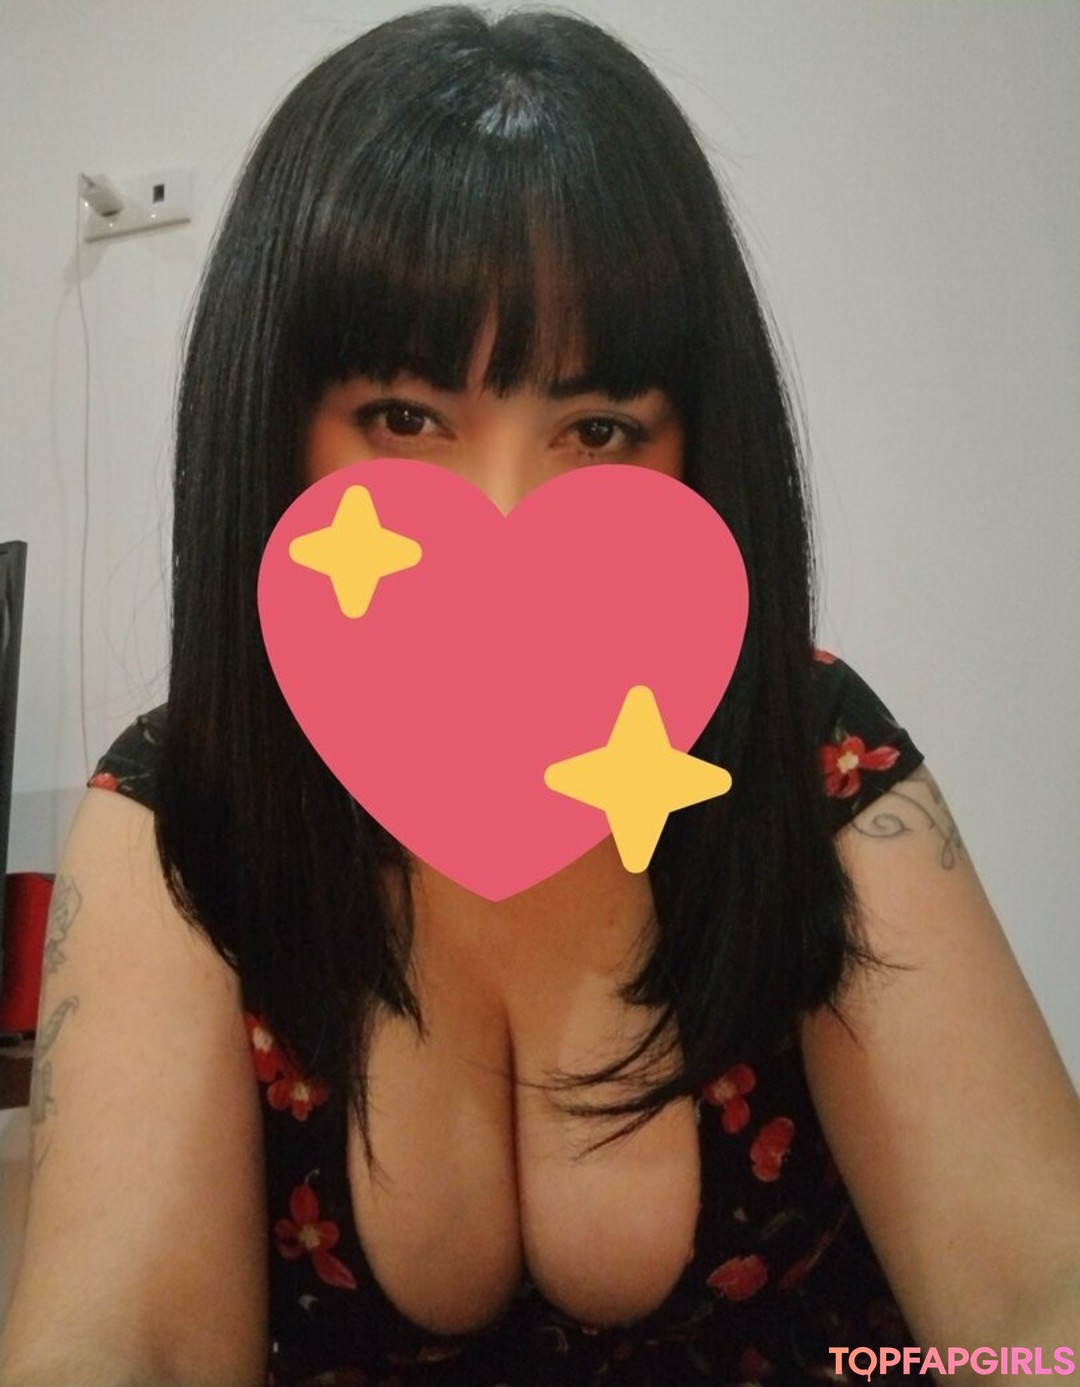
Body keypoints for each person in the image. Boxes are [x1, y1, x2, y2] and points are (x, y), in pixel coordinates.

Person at [2, 7, 1079, 1385]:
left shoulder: (804, 755)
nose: (503, 522)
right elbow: (123, 1340)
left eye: (598, 430)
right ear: (276, 425)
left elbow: (1033, 1295)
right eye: (405, 419)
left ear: (696, 447)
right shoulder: (184, 813)